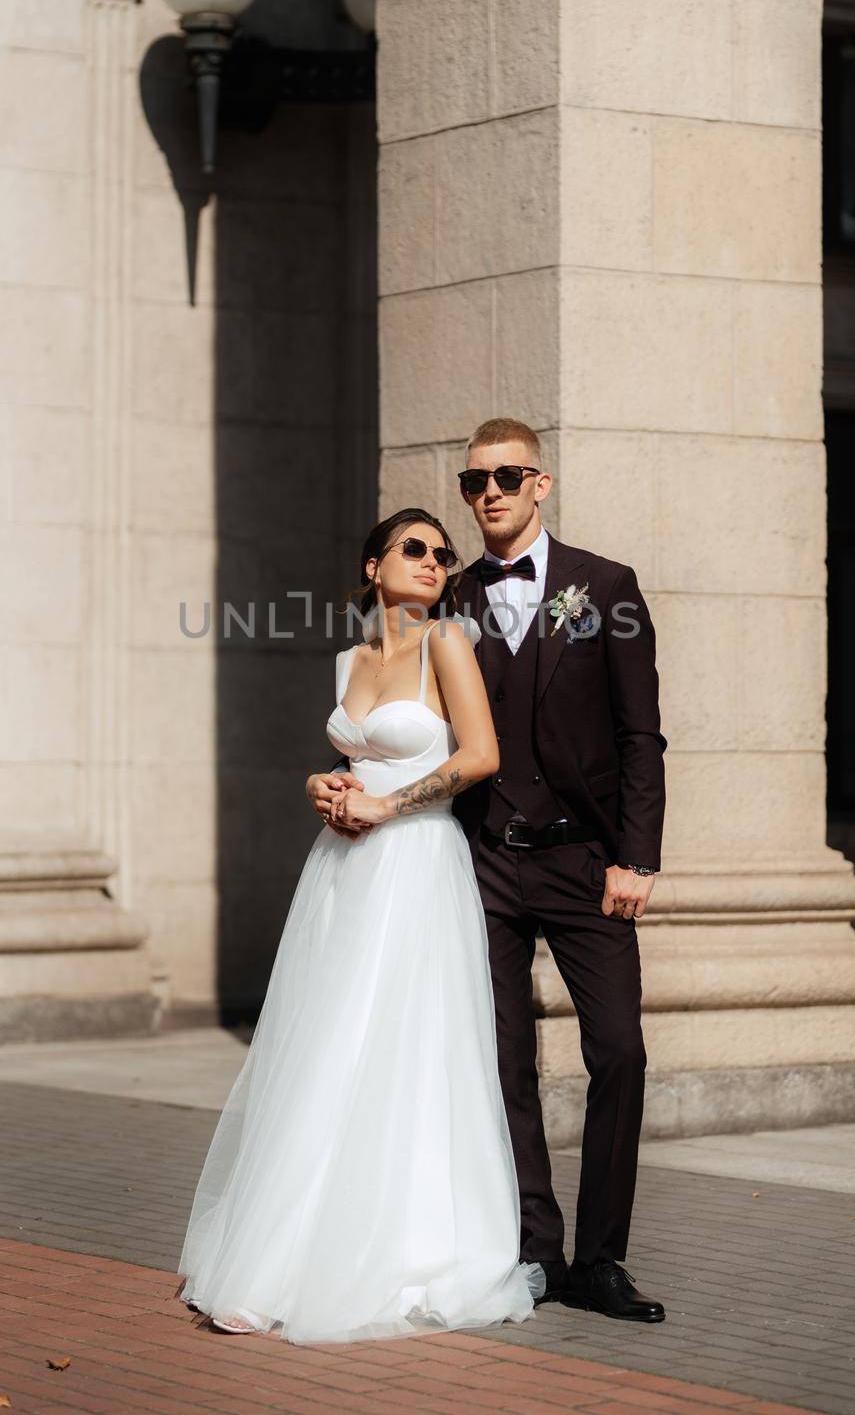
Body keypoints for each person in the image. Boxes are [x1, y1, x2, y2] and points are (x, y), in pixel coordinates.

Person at [309, 417, 667, 1323]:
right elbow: (398, 709)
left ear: (540, 483)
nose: (491, 494)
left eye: (508, 477)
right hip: (481, 866)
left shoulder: (606, 587)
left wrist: (636, 856)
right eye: (475, 483)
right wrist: (348, 782)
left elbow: (640, 738)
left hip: (588, 865)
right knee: (502, 1062)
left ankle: (603, 1257)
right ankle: (536, 1251)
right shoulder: (448, 597)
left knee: (619, 1049)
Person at [176, 507, 545, 1344]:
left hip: (416, 862)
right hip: (344, 869)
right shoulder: (352, 657)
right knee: (325, 1047)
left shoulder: (448, 642)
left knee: (400, 1048)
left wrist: (388, 803)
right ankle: (286, 1254)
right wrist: (329, 786)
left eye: (443, 554)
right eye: (413, 548)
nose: (433, 561)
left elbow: (479, 755)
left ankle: (402, 1251)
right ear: (373, 566)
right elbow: (359, 757)